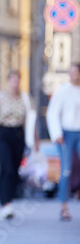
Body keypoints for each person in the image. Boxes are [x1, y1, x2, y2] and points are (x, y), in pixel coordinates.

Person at [0, 70, 31, 220]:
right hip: (3, 133)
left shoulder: (24, 98)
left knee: (14, 169)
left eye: (18, 80)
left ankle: (8, 200)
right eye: (13, 80)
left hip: (18, 134)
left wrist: (33, 140)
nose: (15, 83)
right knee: (6, 168)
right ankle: (5, 203)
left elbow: (29, 120)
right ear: (8, 81)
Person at [46, 62, 80, 221]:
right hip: (66, 133)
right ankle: (64, 206)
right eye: (71, 72)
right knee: (65, 169)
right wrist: (57, 133)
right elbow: (52, 113)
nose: (72, 75)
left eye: (75, 72)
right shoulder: (63, 91)